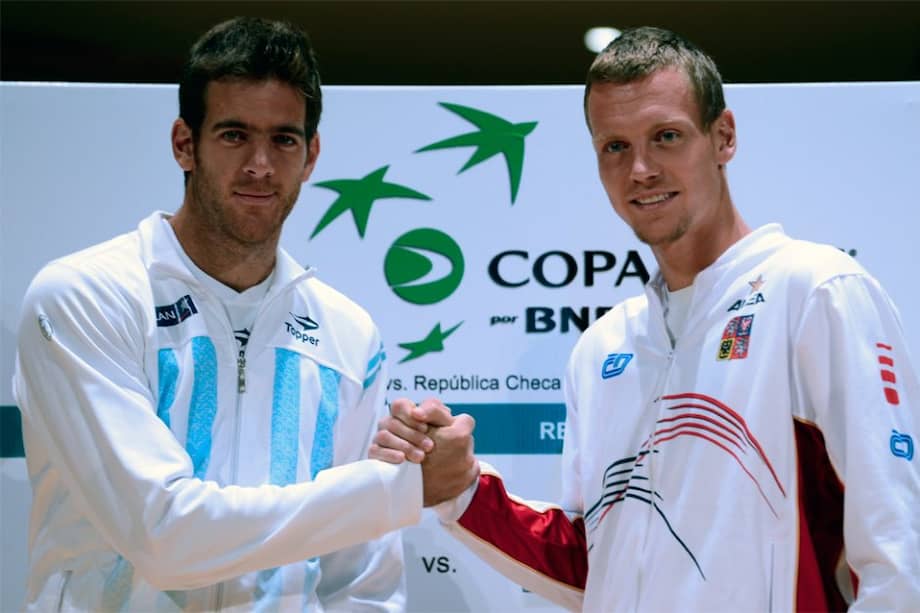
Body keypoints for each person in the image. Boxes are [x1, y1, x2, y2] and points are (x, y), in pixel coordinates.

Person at [371, 26, 920, 611]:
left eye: (666, 137)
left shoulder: (816, 291)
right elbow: (593, 565)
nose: (640, 170)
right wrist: (461, 490)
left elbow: (897, 557)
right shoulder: (603, 345)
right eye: (615, 147)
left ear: (723, 136)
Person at [12, 16, 475, 611]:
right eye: (234, 135)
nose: (260, 164)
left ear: (310, 156)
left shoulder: (347, 332)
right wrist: (400, 489)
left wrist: (389, 492)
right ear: (185, 144)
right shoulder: (86, 295)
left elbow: (361, 580)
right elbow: (166, 537)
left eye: (283, 139)